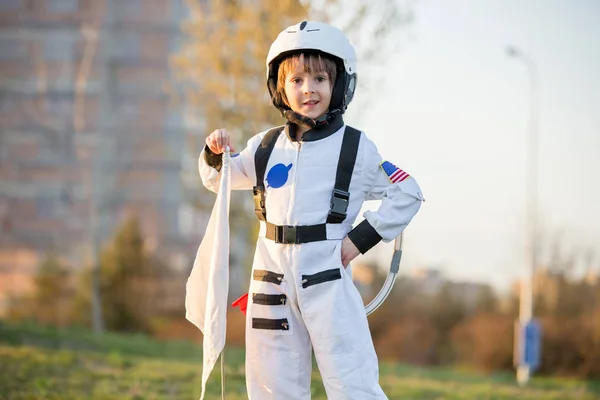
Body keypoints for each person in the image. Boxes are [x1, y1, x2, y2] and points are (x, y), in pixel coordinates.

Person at [199, 20, 424, 400]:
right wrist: (213, 152)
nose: (309, 89)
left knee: (353, 384)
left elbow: (408, 193)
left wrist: (359, 241)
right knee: (272, 387)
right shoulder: (265, 147)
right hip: (270, 282)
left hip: (328, 282)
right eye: (298, 80)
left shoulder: (355, 148)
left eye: (320, 78)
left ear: (339, 85)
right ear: (280, 88)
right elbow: (216, 179)